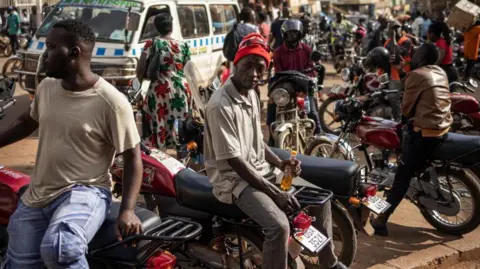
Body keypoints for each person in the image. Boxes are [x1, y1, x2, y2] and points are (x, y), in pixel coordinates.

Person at [0, 19, 143, 268]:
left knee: (61, 246)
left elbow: (133, 158)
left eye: (51, 47)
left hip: (85, 191)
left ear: (73, 53)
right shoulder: (46, 88)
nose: (44, 55)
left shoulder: (111, 102)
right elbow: (27, 121)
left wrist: (128, 210)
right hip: (37, 196)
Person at [204, 32, 348, 269]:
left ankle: (329, 263)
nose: (253, 73)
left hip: (260, 172)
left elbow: (257, 143)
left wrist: (281, 164)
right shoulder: (221, 104)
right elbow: (233, 160)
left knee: (320, 199)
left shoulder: (250, 93)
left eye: (260, 68)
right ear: (236, 64)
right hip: (235, 181)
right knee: (278, 226)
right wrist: (274, 191)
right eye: (248, 65)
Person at [371, 43, 452, 236]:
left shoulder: (417, 75)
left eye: (415, 55)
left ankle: (381, 219)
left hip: (425, 134)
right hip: (443, 129)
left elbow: (406, 110)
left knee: (402, 176)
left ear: (422, 59)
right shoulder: (439, 71)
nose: (411, 57)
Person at [138, 13, 192, 150]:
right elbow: (189, 71)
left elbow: (140, 69)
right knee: (180, 129)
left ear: (156, 27)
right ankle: (181, 162)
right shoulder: (184, 46)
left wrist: (139, 86)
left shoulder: (151, 44)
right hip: (181, 91)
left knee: (158, 125)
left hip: (159, 92)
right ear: (171, 27)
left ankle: (161, 162)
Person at [268, 19, 322, 144]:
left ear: (300, 34)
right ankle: (271, 138)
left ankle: (319, 139)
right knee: (272, 102)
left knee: (313, 112)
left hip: (304, 84)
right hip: (286, 84)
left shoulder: (307, 50)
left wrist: (308, 77)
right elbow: (279, 72)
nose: (292, 35)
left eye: (295, 33)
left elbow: (312, 69)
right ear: (284, 34)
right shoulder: (278, 52)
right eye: (289, 33)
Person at [384, 20, 413, 121]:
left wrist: (394, 38)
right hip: (392, 75)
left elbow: (398, 52)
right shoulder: (387, 42)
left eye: (397, 28)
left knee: (393, 97)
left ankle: (398, 120)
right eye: (392, 28)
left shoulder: (406, 41)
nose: (395, 30)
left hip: (403, 75)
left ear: (401, 29)